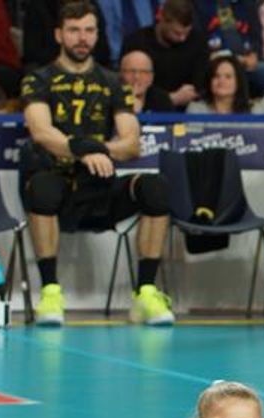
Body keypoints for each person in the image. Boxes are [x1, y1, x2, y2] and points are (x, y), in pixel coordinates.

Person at [20, 1, 175, 327]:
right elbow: (41, 132)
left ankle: (145, 293)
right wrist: (82, 150)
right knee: (42, 188)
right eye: (74, 30)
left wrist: (98, 150)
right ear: (59, 34)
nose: (82, 38)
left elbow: (131, 143)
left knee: (156, 189)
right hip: (58, 185)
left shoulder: (113, 81)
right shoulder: (38, 79)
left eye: (89, 30)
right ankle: (50, 293)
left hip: (100, 184)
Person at [121, 0, 212, 109]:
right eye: (177, 33)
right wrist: (170, 99)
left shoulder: (198, 42)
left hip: (188, 109)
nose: (182, 38)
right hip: (145, 108)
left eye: (186, 33)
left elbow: (200, 83)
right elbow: (129, 83)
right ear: (162, 20)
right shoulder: (136, 42)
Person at [187, 52, 252, 111]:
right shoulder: (195, 109)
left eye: (228, 76)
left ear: (238, 82)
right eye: (216, 76)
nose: (221, 81)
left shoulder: (250, 112)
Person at [120, 47, 174, 112]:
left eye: (143, 72)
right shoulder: (111, 98)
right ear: (121, 75)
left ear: (151, 77)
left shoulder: (162, 99)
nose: (137, 77)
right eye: (131, 71)